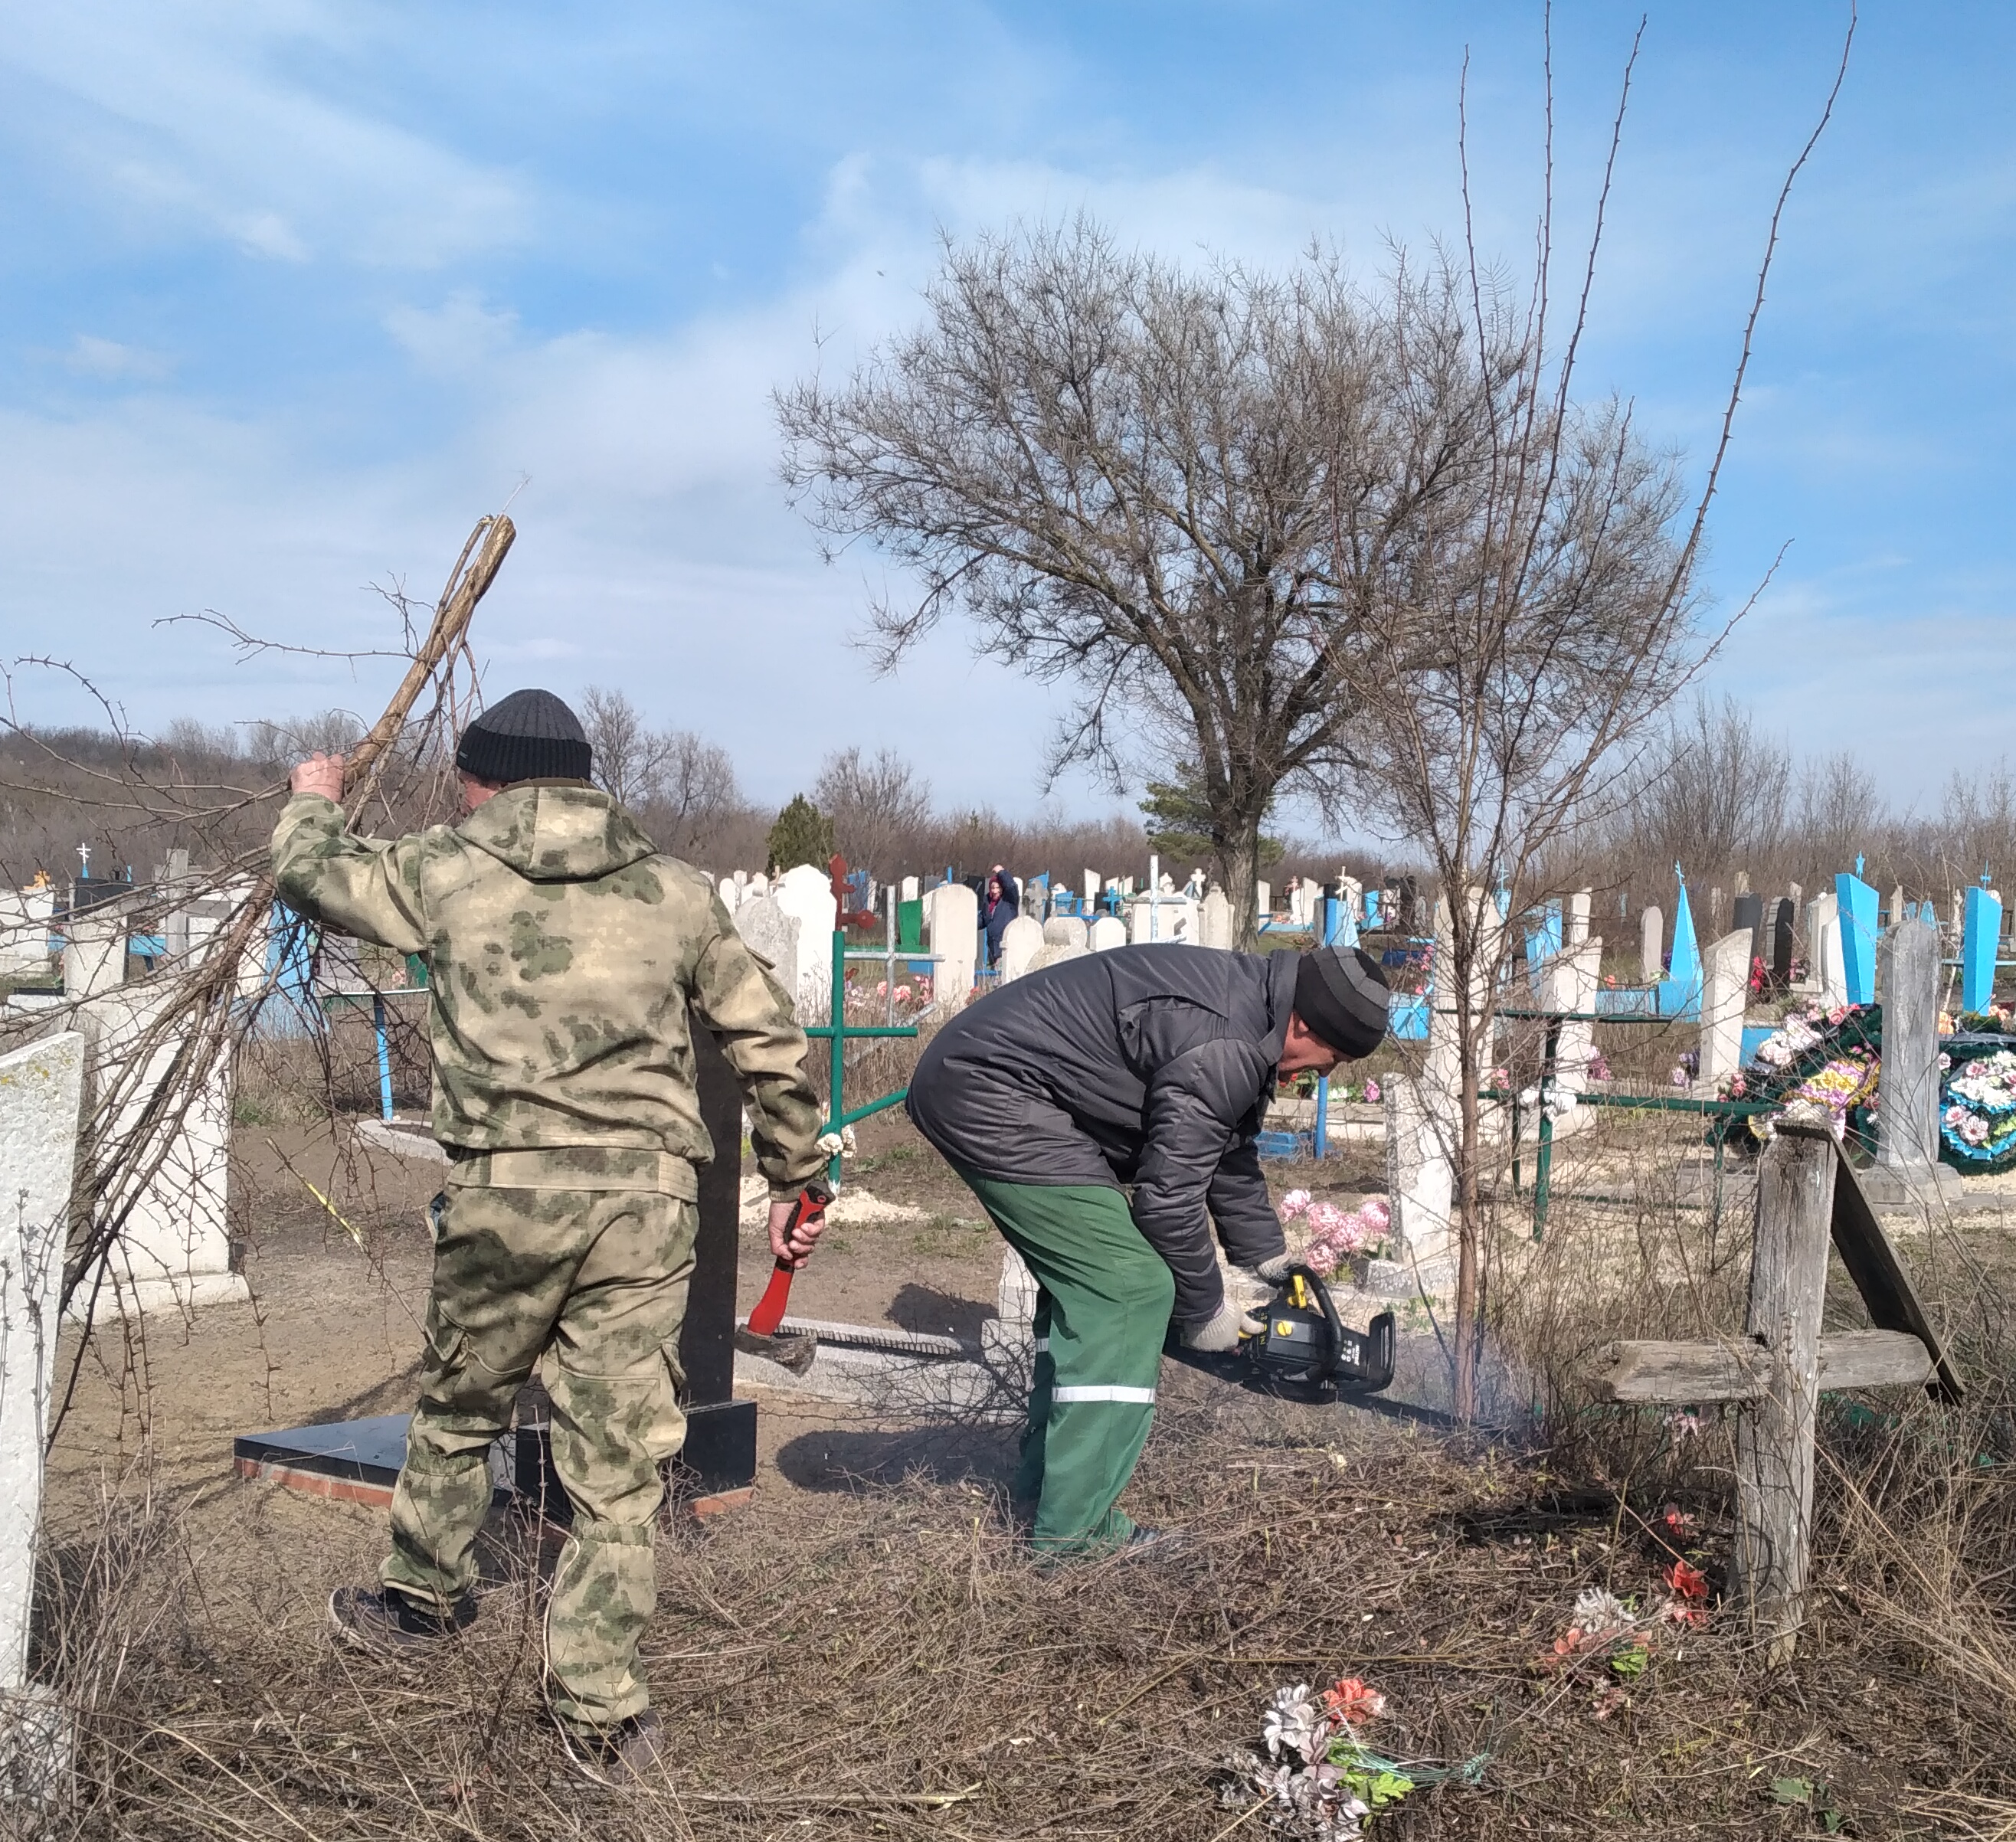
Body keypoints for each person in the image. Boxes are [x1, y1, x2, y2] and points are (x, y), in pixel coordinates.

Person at [271, 688, 830, 1779]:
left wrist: (314, 801)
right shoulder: (675, 893)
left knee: (461, 1402)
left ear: (481, 781)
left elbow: (311, 877)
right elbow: (768, 1038)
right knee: (619, 1461)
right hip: (645, 1204)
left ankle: (425, 1600)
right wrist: (798, 1173)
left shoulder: (439, 869)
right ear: (586, 782)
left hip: (507, 1194)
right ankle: (600, 1717)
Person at [908, 939, 1389, 1552]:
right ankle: (1077, 1538)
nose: (1326, 1074)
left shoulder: (1251, 1014)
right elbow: (1167, 1199)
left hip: (1008, 1090)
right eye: (1332, 1056)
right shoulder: (1230, 1040)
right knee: (1127, 1289)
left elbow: (1222, 1148)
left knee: (1091, 1286)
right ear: (1304, 1023)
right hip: (992, 1093)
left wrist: (1268, 1258)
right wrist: (1206, 1312)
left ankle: (1044, 1494)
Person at [977, 866, 1022, 968]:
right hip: (992, 952)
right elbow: (982, 920)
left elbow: (1011, 886)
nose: (995, 891)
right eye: (993, 888)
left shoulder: (1009, 901)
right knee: (993, 981)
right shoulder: (988, 903)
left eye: (998, 888)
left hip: (1005, 951)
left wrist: (1001, 872)